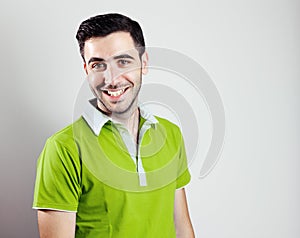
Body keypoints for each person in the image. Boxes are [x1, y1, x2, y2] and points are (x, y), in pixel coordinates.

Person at [33, 13, 195, 238]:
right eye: (98, 65)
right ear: (87, 71)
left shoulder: (171, 134)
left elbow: (182, 229)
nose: (111, 79)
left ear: (144, 63)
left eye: (123, 62)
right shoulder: (62, 149)